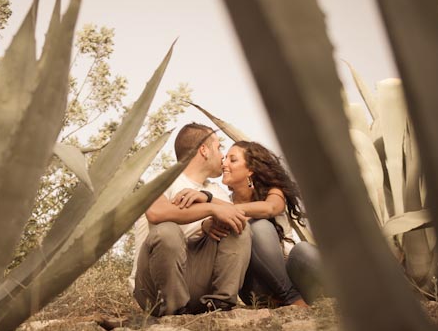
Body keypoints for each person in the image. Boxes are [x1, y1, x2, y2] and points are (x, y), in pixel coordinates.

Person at [131, 123, 252, 316]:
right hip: (155, 289)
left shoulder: (215, 190)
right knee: (167, 231)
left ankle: (220, 306)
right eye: (219, 147)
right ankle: (172, 312)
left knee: (237, 225)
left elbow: (237, 215)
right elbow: (156, 213)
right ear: (204, 150)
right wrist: (211, 209)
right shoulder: (163, 179)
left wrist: (209, 214)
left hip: (197, 282)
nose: (222, 156)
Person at [189, 140, 323, 307]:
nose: (225, 164)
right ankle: (293, 299)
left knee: (302, 250)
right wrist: (209, 218)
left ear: (250, 170)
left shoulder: (273, 192)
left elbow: (270, 208)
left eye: (233, 159)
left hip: (292, 274)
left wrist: (211, 201)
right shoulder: (224, 201)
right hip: (256, 286)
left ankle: (343, 292)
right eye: (226, 159)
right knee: (257, 228)